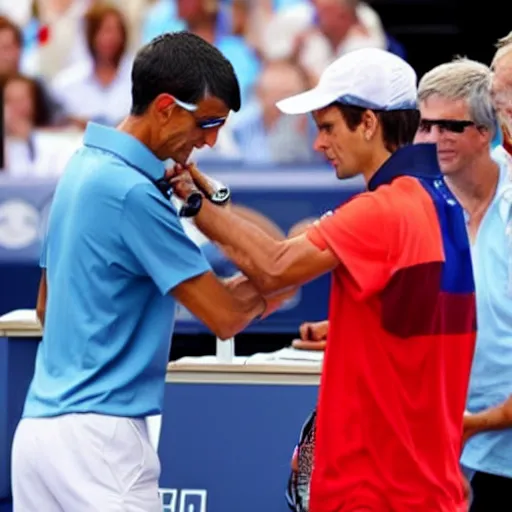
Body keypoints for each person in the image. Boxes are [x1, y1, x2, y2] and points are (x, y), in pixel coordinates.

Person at [170, 47, 477, 511]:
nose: (318, 143)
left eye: (328, 127)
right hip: (428, 487)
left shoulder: (385, 209)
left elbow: (273, 266)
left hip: (374, 491)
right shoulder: (443, 201)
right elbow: (413, 322)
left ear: (369, 124)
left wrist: (196, 205)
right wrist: (351, 331)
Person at [10, 32, 291, 512]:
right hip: (100, 445)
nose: (211, 140)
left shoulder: (80, 166)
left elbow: (45, 306)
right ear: (165, 107)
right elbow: (224, 316)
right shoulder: (133, 194)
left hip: (38, 436)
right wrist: (284, 281)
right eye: (208, 122)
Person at [416, 55, 512, 510]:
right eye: (425, 126)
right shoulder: (418, 205)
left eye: (449, 127)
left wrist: (476, 422)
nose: (434, 139)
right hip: (448, 452)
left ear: (484, 130)